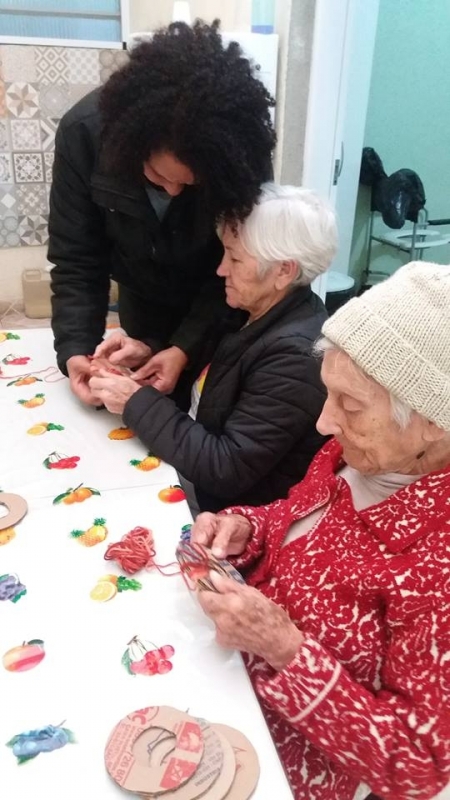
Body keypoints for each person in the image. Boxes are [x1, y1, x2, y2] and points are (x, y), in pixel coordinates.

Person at [189, 261, 450, 800]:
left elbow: (418, 768)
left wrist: (286, 649)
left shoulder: (436, 564)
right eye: (328, 392)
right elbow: (300, 515)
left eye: (349, 404)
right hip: (226, 672)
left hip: (282, 754)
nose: (323, 423)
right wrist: (249, 527)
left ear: (432, 422)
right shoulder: (359, 452)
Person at [48, 20, 275, 408]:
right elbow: (77, 261)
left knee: (204, 417)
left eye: (189, 185)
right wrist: (76, 352)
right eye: (156, 176)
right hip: (142, 302)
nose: (171, 190)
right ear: (132, 143)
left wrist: (184, 348)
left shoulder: (237, 154)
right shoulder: (84, 134)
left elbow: (237, 267)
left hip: (220, 305)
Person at [89, 183, 337, 511]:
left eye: (234, 258)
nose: (221, 270)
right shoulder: (251, 308)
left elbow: (224, 468)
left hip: (226, 509)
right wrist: (148, 352)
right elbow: (214, 374)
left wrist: (135, 402)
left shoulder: (295, 357)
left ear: (283, 271)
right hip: (189, 460)